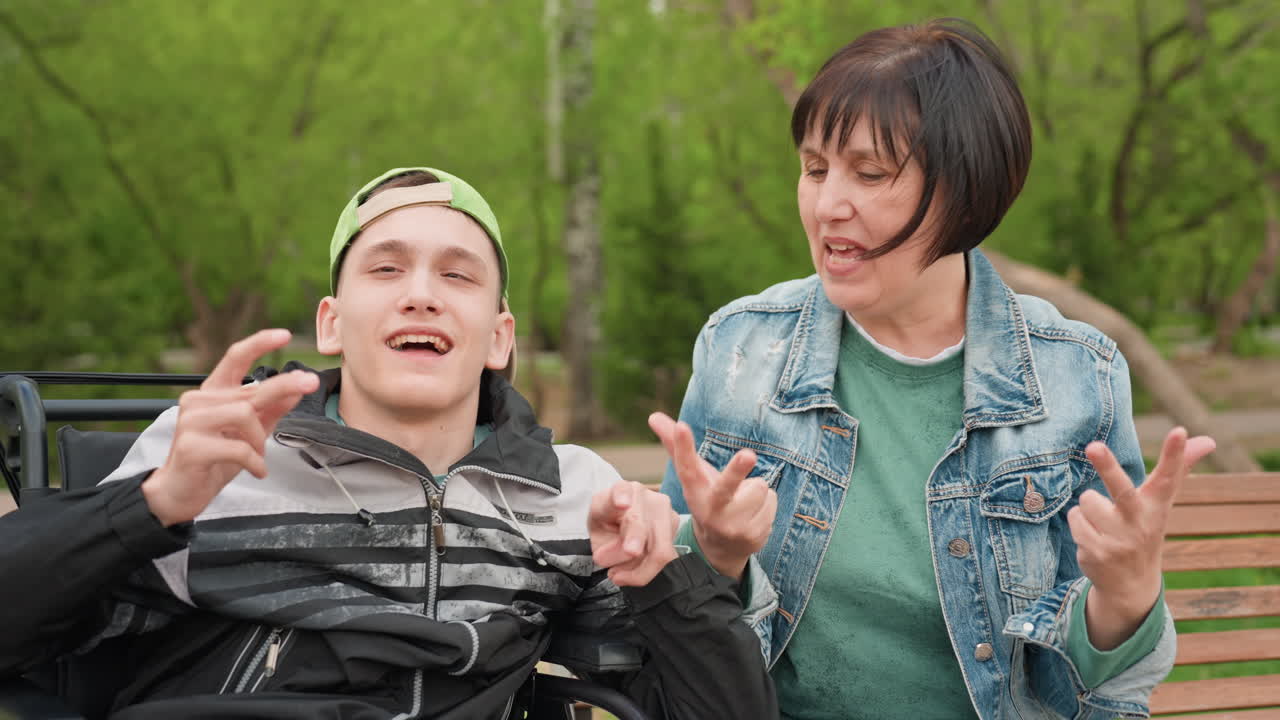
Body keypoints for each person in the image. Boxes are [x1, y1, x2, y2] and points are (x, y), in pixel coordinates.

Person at [0, 167, 778, 719]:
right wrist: (152, 504)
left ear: (499, 337)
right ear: (332, 323)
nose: (421, 293)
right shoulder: (219, 453)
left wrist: (686, 573)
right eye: (386, 267)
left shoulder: (572, 495)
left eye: (459, 275)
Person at [653, 19, 1216, 720]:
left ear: (966, 187)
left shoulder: (1076, 374)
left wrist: (1127, 598)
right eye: (815, 168)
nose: (829, 205)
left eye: (870, 172)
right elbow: (666, 635)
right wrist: (712, 557)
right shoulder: (740, 350)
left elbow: (1085, 693)